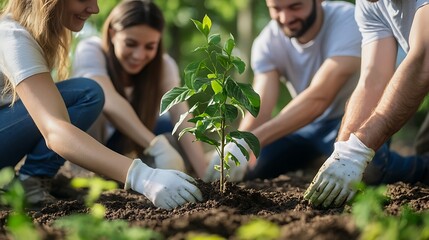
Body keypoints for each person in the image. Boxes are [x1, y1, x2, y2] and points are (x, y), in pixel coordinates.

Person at [0, 0, 202, 210]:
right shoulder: (13, 36)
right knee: (87, 94)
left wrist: (206, 172)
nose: (95, 9)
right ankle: (32, 180)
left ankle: (30, 181)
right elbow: (54, 130)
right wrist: (144, 177)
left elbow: (182, 116)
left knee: (165, 125)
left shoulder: (37, 35)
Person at [204, 0, 362, 182]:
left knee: (366, 172)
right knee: (261, 166)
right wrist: (237, 143)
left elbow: (320, 97)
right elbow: (260, 105)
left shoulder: (347, 20)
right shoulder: (267, 42)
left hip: (353, 119)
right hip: (307, 125)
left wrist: (251, 141)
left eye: (295, 7)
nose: (286, 18)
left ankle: (403, 169)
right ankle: (316, 161)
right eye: (276, 9)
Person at [305, 0, 429, 208]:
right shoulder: (369, 4)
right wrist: (342, 153)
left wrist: (358, 151)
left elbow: (424, 59)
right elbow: (372, 78)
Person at [71, 0, 208, 179]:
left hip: (131, 144)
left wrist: (205, 172)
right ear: (112, 34)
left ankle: (148, 170)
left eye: (150, 47)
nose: (139, 55)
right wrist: (156, 145)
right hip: (93, 145)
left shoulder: (164, 65)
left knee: (175, 135)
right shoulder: (91, 50)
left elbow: (181, 114)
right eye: (130, 43)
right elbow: (108, 100)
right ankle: (87, 175)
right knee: (95, 100)